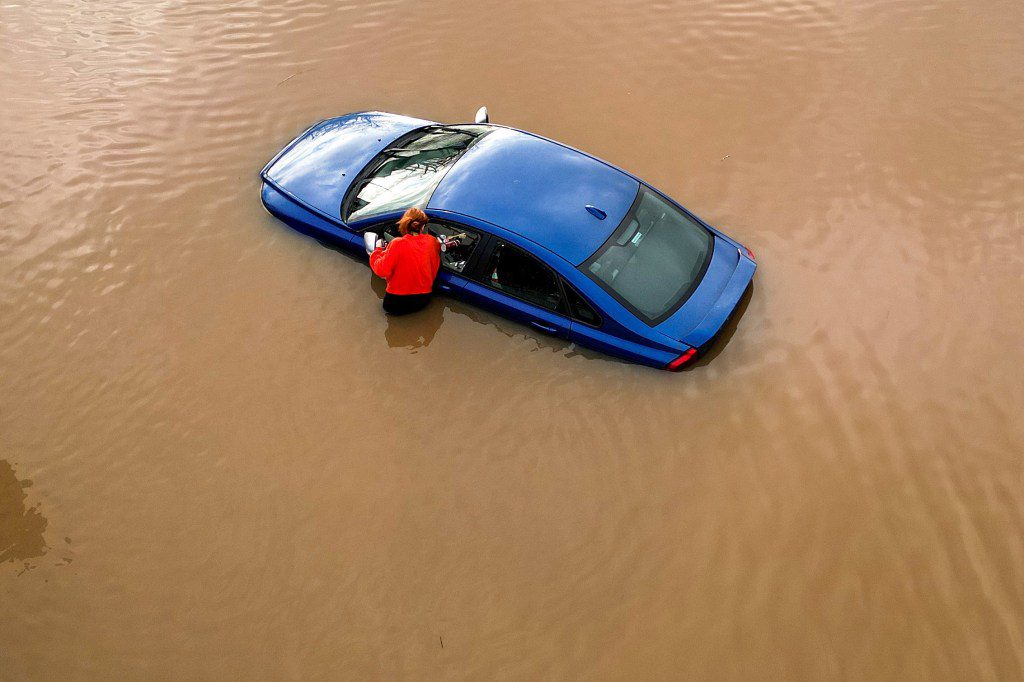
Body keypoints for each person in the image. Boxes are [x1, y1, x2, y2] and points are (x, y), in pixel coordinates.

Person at [369, 207, 441, 315]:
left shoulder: (397, 243)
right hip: (423, 301)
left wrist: (377, 251)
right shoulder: (432, 242)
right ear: (423, 226)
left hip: (395, 303)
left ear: (404, 224)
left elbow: (382, 271)